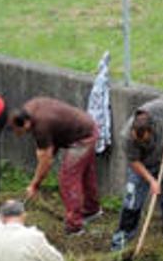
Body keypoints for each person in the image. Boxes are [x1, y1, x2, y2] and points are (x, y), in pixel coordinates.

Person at [9, 97, 101, 234]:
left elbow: (46, 160)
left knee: (67, 179)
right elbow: (48, 148)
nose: (18, 135)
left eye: (19, 131)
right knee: (86, 173)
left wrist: (35, 184)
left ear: (27, 123)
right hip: (84, 125)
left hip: (82, 137)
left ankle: (74, 226)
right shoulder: (28, 108)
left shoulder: (41, 127)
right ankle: (92, 209)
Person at [111, 98, 163, 252]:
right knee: (132, 202)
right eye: (138, 140)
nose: (141, 143)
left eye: (144, 140)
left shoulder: (157, 109)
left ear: (151, 130)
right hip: (142, 166)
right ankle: (121, 242)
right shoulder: (127, 137)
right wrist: (151, 180)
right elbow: (134, 162)